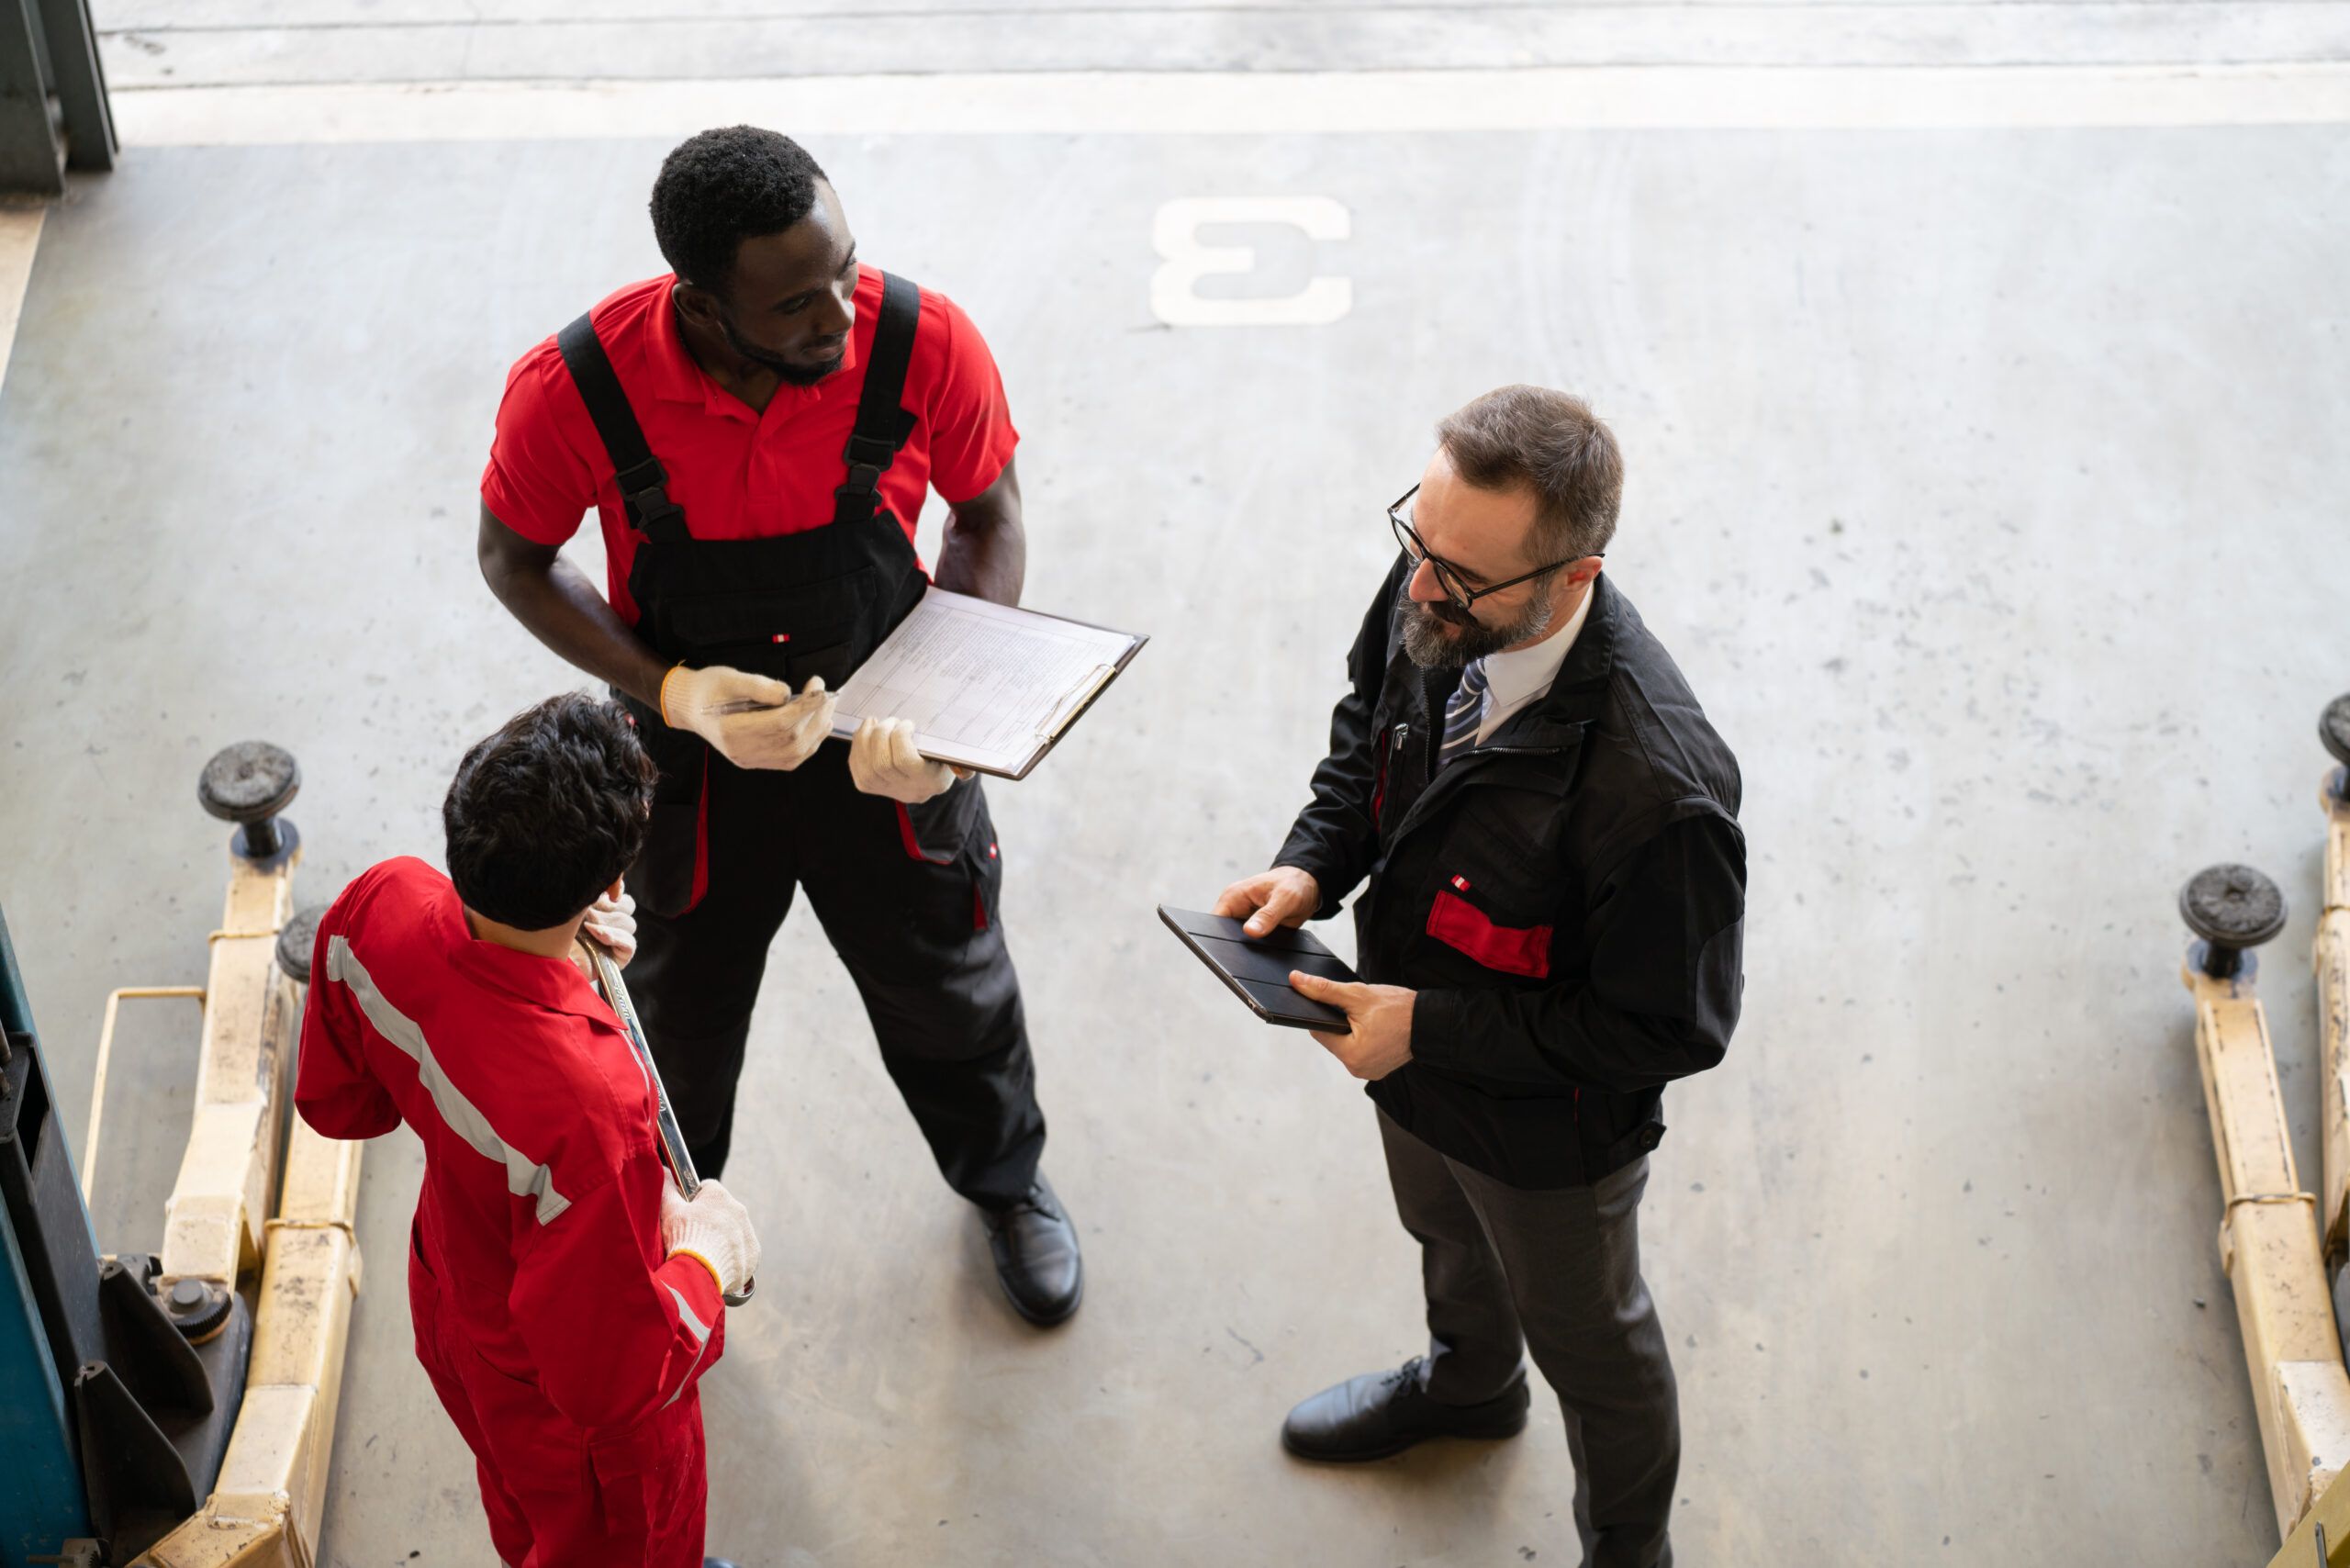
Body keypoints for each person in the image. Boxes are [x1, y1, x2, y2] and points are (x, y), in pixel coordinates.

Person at [473, 126, 1080, 1324]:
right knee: (675, 1011)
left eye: (845, 272)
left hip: (887, 745)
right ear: (703, 304)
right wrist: (667, 691)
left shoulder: (923, 342)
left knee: (951, 983)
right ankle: (679, 1226)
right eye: (798, 305)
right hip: (691, 764)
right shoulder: (578, 388)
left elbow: (988, 513)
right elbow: (516, 559)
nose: (840, 319)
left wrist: (945, 703)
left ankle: (1006, 1183)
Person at [1214, 387, 1745, 1568]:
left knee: (1592, 1343)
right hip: (1408, 1045)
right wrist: (1312, 867)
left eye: (1457, 575)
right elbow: (1369, 733)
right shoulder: (1443, 591)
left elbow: (1667, 1028)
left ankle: (1626, 1550)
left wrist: (1431, 1029)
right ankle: (1469, 1387)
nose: (1417, 589)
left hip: (1548, 1134)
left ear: (1572, 579)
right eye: (1417, 542)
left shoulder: (1659, 795)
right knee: (1442, 1229)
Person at [295, 693, 761, 1568]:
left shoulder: (381, 902)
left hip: (454, 1301)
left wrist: (563, 963)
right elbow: (613, 1384)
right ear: (612, 887)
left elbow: (342, 1103)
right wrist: (707, 1260)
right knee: (617, 1544)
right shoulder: (591, 1110)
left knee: (518, 1500)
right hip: (567, 1410)